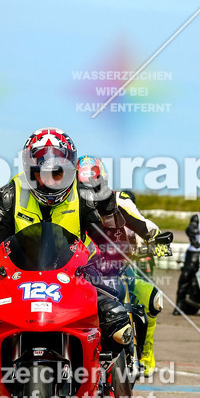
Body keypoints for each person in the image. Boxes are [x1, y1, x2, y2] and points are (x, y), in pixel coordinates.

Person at [0, 130, 134, 380]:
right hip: (19, 279)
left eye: (59, 173)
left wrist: (109, 214)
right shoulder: (11, 194)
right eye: (43, 173)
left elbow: (113, 244)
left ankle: (107, 375)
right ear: (30, 171)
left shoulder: (84, 194)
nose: (51, 182)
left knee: (117, 320)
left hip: (74, 278)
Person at [76, 156, 168, 373]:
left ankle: (145, 354)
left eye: (95, 185)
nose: (90, 191)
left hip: (116, 268)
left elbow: (142, 222)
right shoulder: (68, 204)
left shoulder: (120, 200)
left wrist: (154, 238)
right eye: (83, 186)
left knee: (153, 298)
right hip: (78, 271)